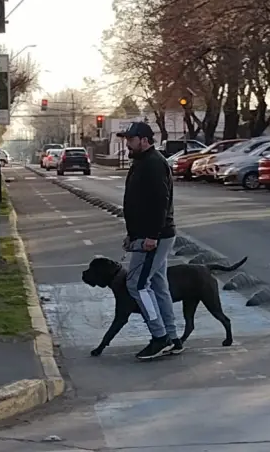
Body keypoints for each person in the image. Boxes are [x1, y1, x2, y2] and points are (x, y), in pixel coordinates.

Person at [117, 121, 180, 360]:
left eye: (131, 140)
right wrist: (132, 235)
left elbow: (160, 203)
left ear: (144, 140)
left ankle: (159, 336)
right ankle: (172, 337)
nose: (127, 144)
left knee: (137, 284)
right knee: (159, 285)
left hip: (155, 237)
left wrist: (152, 236)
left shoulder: (153, 163)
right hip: (146, 235)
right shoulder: (141, 162)